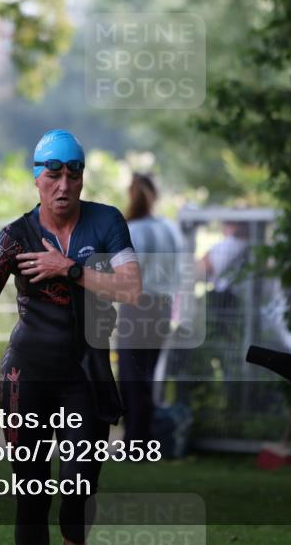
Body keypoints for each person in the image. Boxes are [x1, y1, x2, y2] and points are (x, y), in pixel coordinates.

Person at [0, 129, 142, 545]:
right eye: (53, 174)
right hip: (27, 377)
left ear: (82, 178)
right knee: (32, 496)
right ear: (37, 178)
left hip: (86, 374)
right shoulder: (14, 237)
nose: (64, 185)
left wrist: (69, 269)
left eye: (73, 174)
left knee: (78, 491)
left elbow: (132, 289)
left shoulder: (106, 221)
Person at [119, 173, 182, 446]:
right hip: (164, 307)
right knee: (148, 375)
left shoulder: (132, 230)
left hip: (137, 306)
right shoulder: (171, 229)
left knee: (131, 377)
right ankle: (145, 440)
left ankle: (135, 442)